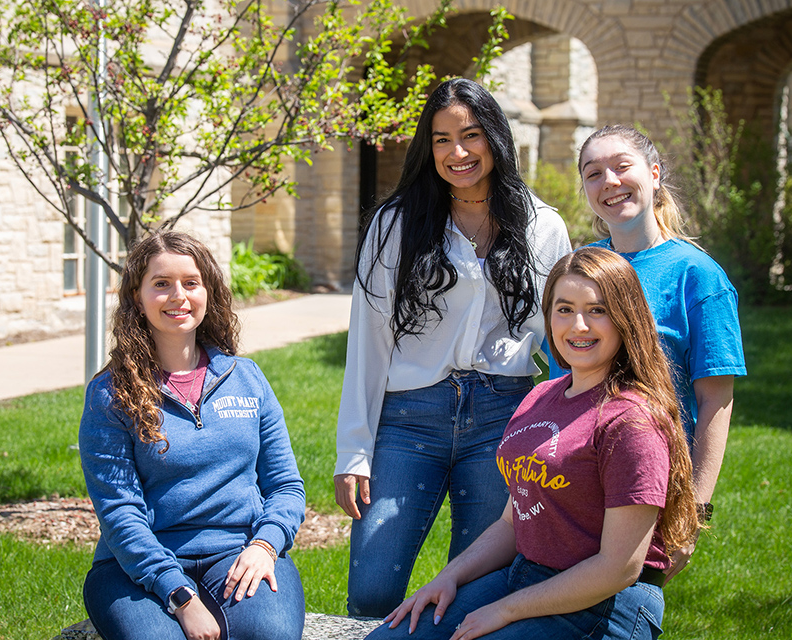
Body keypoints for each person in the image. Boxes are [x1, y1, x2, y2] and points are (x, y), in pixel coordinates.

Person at [367, 246, 699, 640]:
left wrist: (505, 611)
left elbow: (619, 567)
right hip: (526, 575)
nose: (578, 325)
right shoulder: (541, 397)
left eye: (597, 310)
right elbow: (513, 521)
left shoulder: (631, 420)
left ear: (626, 318)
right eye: (564, 309)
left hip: (607, 603)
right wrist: (448, 578)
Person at [334, 78, 572, 617]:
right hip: (409, 417)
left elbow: (558, 339)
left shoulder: (543, 227)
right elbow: (368, 341)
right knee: (371, 592)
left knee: (474, 594)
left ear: (495, 136)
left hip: (502, 416)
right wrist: (354, 451)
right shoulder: (395, 224)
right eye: (441, 139)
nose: (457, 152)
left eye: (470, 135)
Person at [79, 231, 306, 640]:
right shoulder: (109, 394)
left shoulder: (246, 378)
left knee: (269, 635)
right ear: (137, 296)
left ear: (209, 292)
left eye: (190, 282)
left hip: (239, 552)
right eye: (161, 283)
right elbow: (119, 512)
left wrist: (265, 545)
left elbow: (286, 486)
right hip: (136, 568)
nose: (177, 296)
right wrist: (181, 596)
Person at [574, 124, 746, 580]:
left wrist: (696, 508)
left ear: (654, 174)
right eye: (593, 173)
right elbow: (560, 382)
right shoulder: (581, 268)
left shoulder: (699, 276)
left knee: (623, 610)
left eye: (621, 166)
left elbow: (716, 400)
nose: (608, 181)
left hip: (650, 483)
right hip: (573, 478)